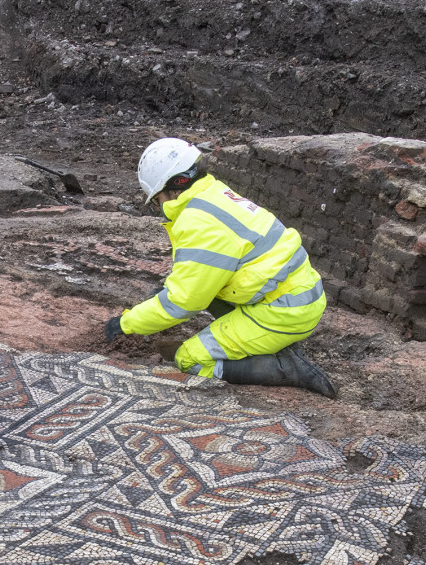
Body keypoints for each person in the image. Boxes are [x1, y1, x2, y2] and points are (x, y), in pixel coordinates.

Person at [107, 137, 337, 397]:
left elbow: (184, 303)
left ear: (173, 187)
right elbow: (196, 282)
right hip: (296, 293)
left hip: (284, 311)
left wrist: (126, 324)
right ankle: (267, 343)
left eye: (157, 199)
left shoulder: (198, 223)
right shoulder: (213, 193)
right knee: (198, 289)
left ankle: (285, 367)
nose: (159, 206)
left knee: (189, 359)